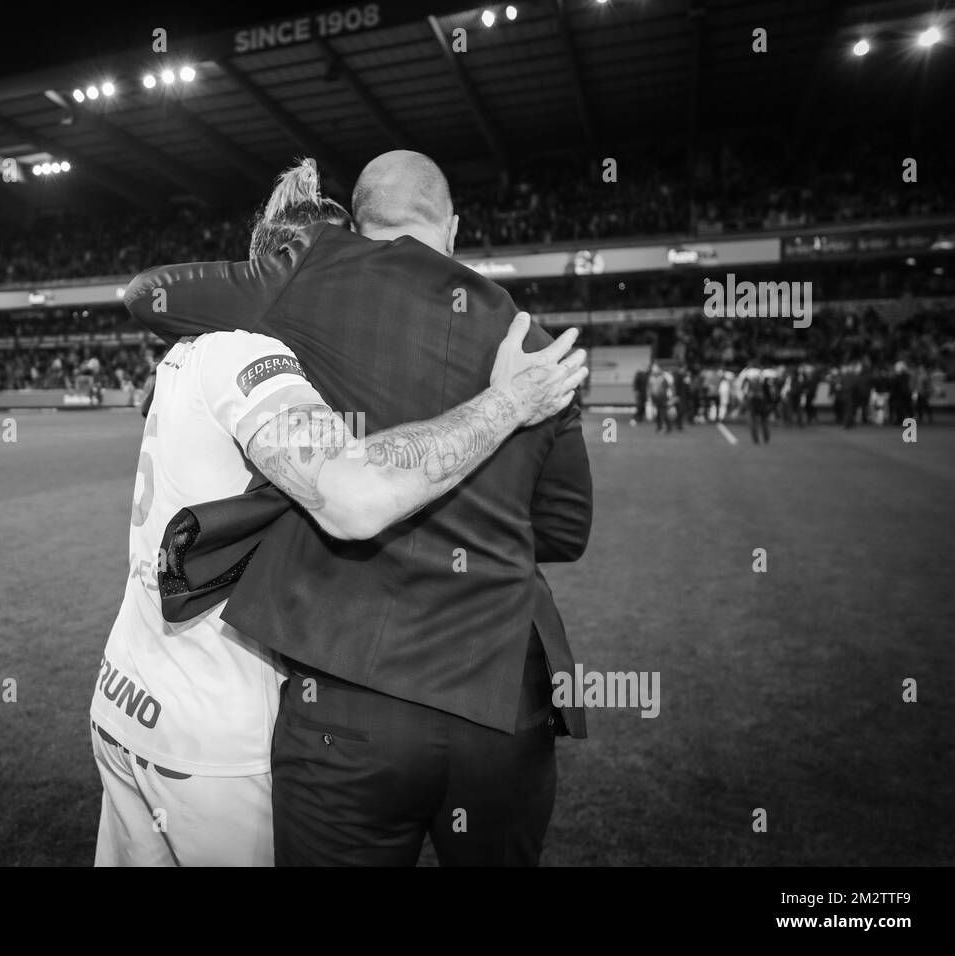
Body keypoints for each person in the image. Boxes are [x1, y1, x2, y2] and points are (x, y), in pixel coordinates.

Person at [91, 161, 587, 867]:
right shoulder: (529, 342)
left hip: (327, 692)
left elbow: (149, 295)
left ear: (360, 232)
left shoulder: (286, 315)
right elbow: (565, 528)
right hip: (497, 693)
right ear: (452, 228)